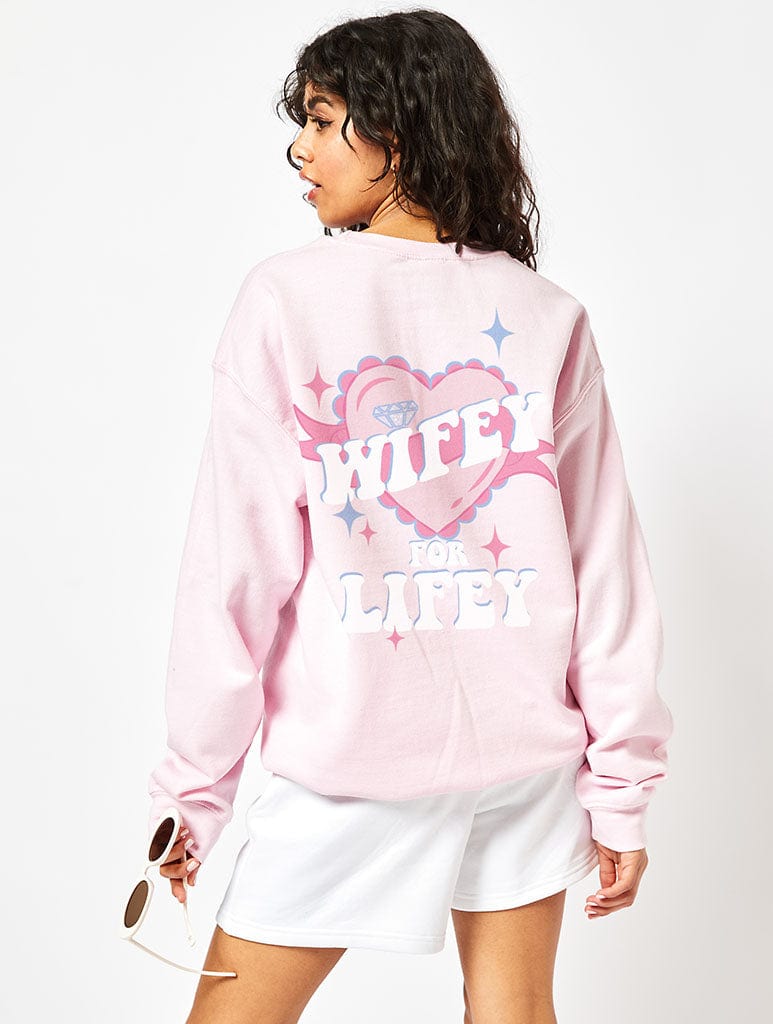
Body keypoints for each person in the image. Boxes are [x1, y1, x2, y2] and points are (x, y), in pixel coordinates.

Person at [144, 10, 674, 1023]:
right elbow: (606, 572)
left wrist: (192, 795)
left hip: (356, 762)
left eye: (322, 120)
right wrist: (617, 789)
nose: (299, 151)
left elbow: (234, 572)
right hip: (523, 757)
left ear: (397, 130)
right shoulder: (545, 313)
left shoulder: (287, 299)